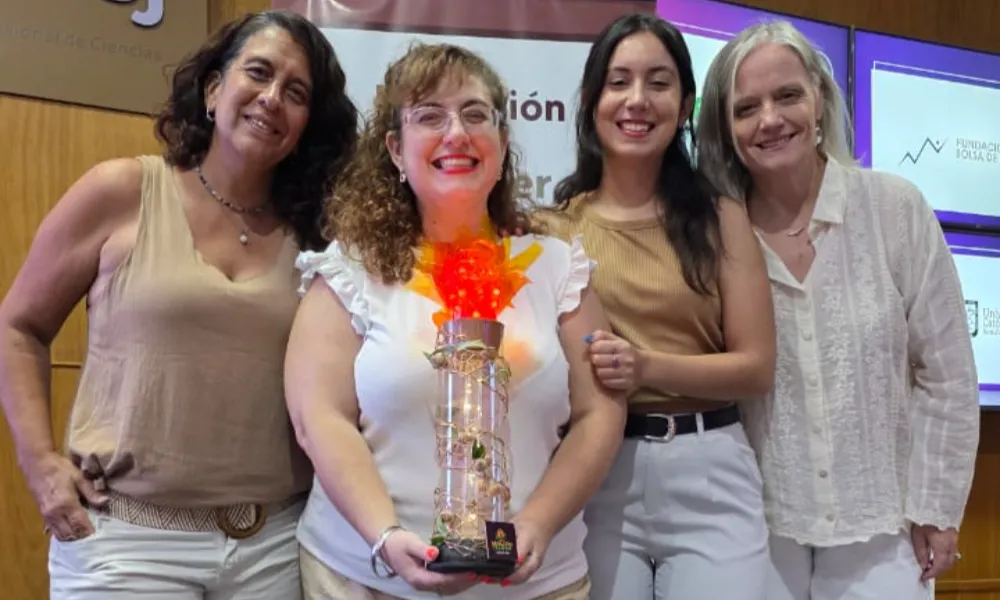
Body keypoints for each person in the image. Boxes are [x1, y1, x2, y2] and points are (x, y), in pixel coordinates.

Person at [0, 10, 358, 599]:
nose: (272, 99)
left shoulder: (319, 237)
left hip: (276, 548)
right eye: (259, 74)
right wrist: (38, 461)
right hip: (127, 545)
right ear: (214, 89)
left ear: (307, 124)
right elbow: (20, 326)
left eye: (296, 93)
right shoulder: (121, 191)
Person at [284, 41, 626, 600]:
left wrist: (538, 523)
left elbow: (600, 412)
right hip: (363, 580)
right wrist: (385, 536)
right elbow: (318, 417)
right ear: (395, 150)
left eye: (475, 114)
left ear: (502, 142)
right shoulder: (347, 268)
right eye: (429, 116)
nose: (456, 133)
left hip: (538, 586)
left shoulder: (557, 268)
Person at [695, 19, 980, 600]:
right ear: (727, 128)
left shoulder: (894, 207)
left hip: (882, 533)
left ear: (819, 101)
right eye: (746, 107)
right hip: (757, 531)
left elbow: (948, 375)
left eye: (788, 95)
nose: (770, 119)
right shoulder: (714, 236)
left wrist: (938, 507)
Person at [533, 12, 776, 600]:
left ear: (686, 104)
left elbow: (756, 367)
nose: (637, 100)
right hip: (593, 473)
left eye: (658, 83)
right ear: (592, 101)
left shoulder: (721, 217)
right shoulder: (551, 229)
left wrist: (646, 367)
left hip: (710, 472)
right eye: (619, 82)